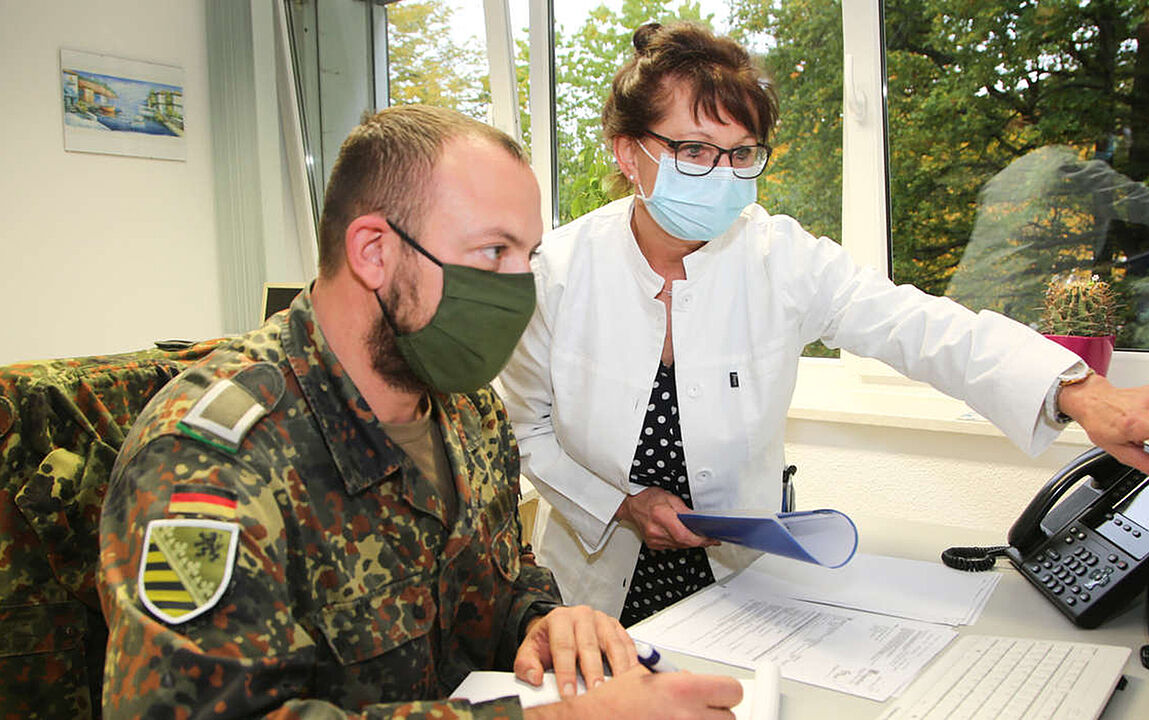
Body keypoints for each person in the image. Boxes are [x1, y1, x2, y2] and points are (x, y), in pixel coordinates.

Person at [497, 22, 1149, 626]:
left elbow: (920, 325)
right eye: (692, 150)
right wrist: (620, 504)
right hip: (593, 587)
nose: (721, 175)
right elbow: (525, 430)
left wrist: (1080, 392)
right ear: (630, 153)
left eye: (741, 153)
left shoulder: (780, 257)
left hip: (742, 585)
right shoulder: (554, 273)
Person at [97, 105, 742, 719]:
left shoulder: (471, 411)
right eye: (494, 253)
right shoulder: (209, 464)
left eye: (529, 257)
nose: (521, 289)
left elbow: (498, 581)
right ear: (374, 251)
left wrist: (541, 620)